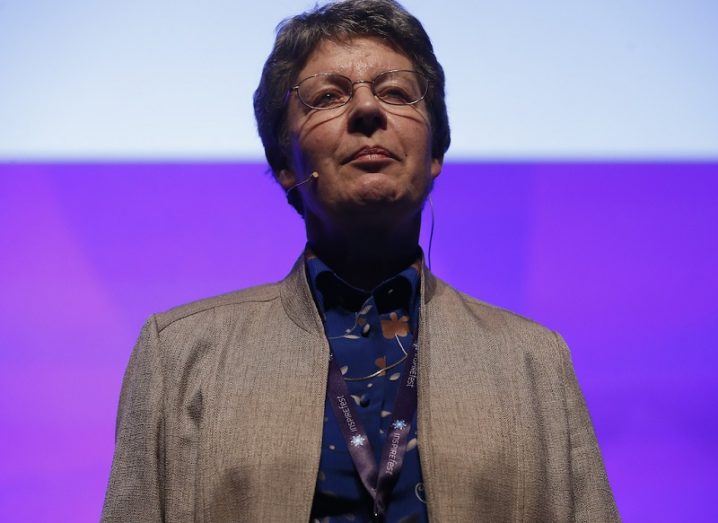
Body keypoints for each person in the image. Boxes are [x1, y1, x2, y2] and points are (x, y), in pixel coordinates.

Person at [102, 1, 619, 521]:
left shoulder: (532, 362)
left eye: (395, 92)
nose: (367, 110)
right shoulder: (181, 356)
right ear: (285, 164)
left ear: (436, 151)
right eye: (328, 96)